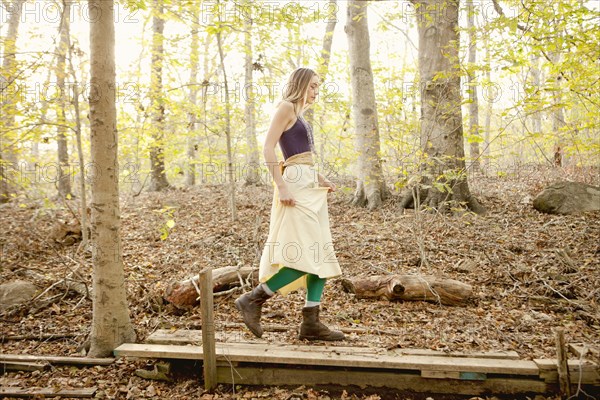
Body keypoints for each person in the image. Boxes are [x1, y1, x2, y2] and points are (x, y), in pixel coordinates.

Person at [235, 67, 344, 341]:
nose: (316, 92)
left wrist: (321, 178)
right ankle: (253, 299)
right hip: (294, 186)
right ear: (299, 84)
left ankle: (311, 322)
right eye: (312, 86)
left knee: (320, 254)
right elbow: (268, 148)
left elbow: (300, 157)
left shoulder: (301, 116)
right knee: (306, 255)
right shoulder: (286, 108)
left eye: (318, 87)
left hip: (307, 183)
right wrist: (281, 184)